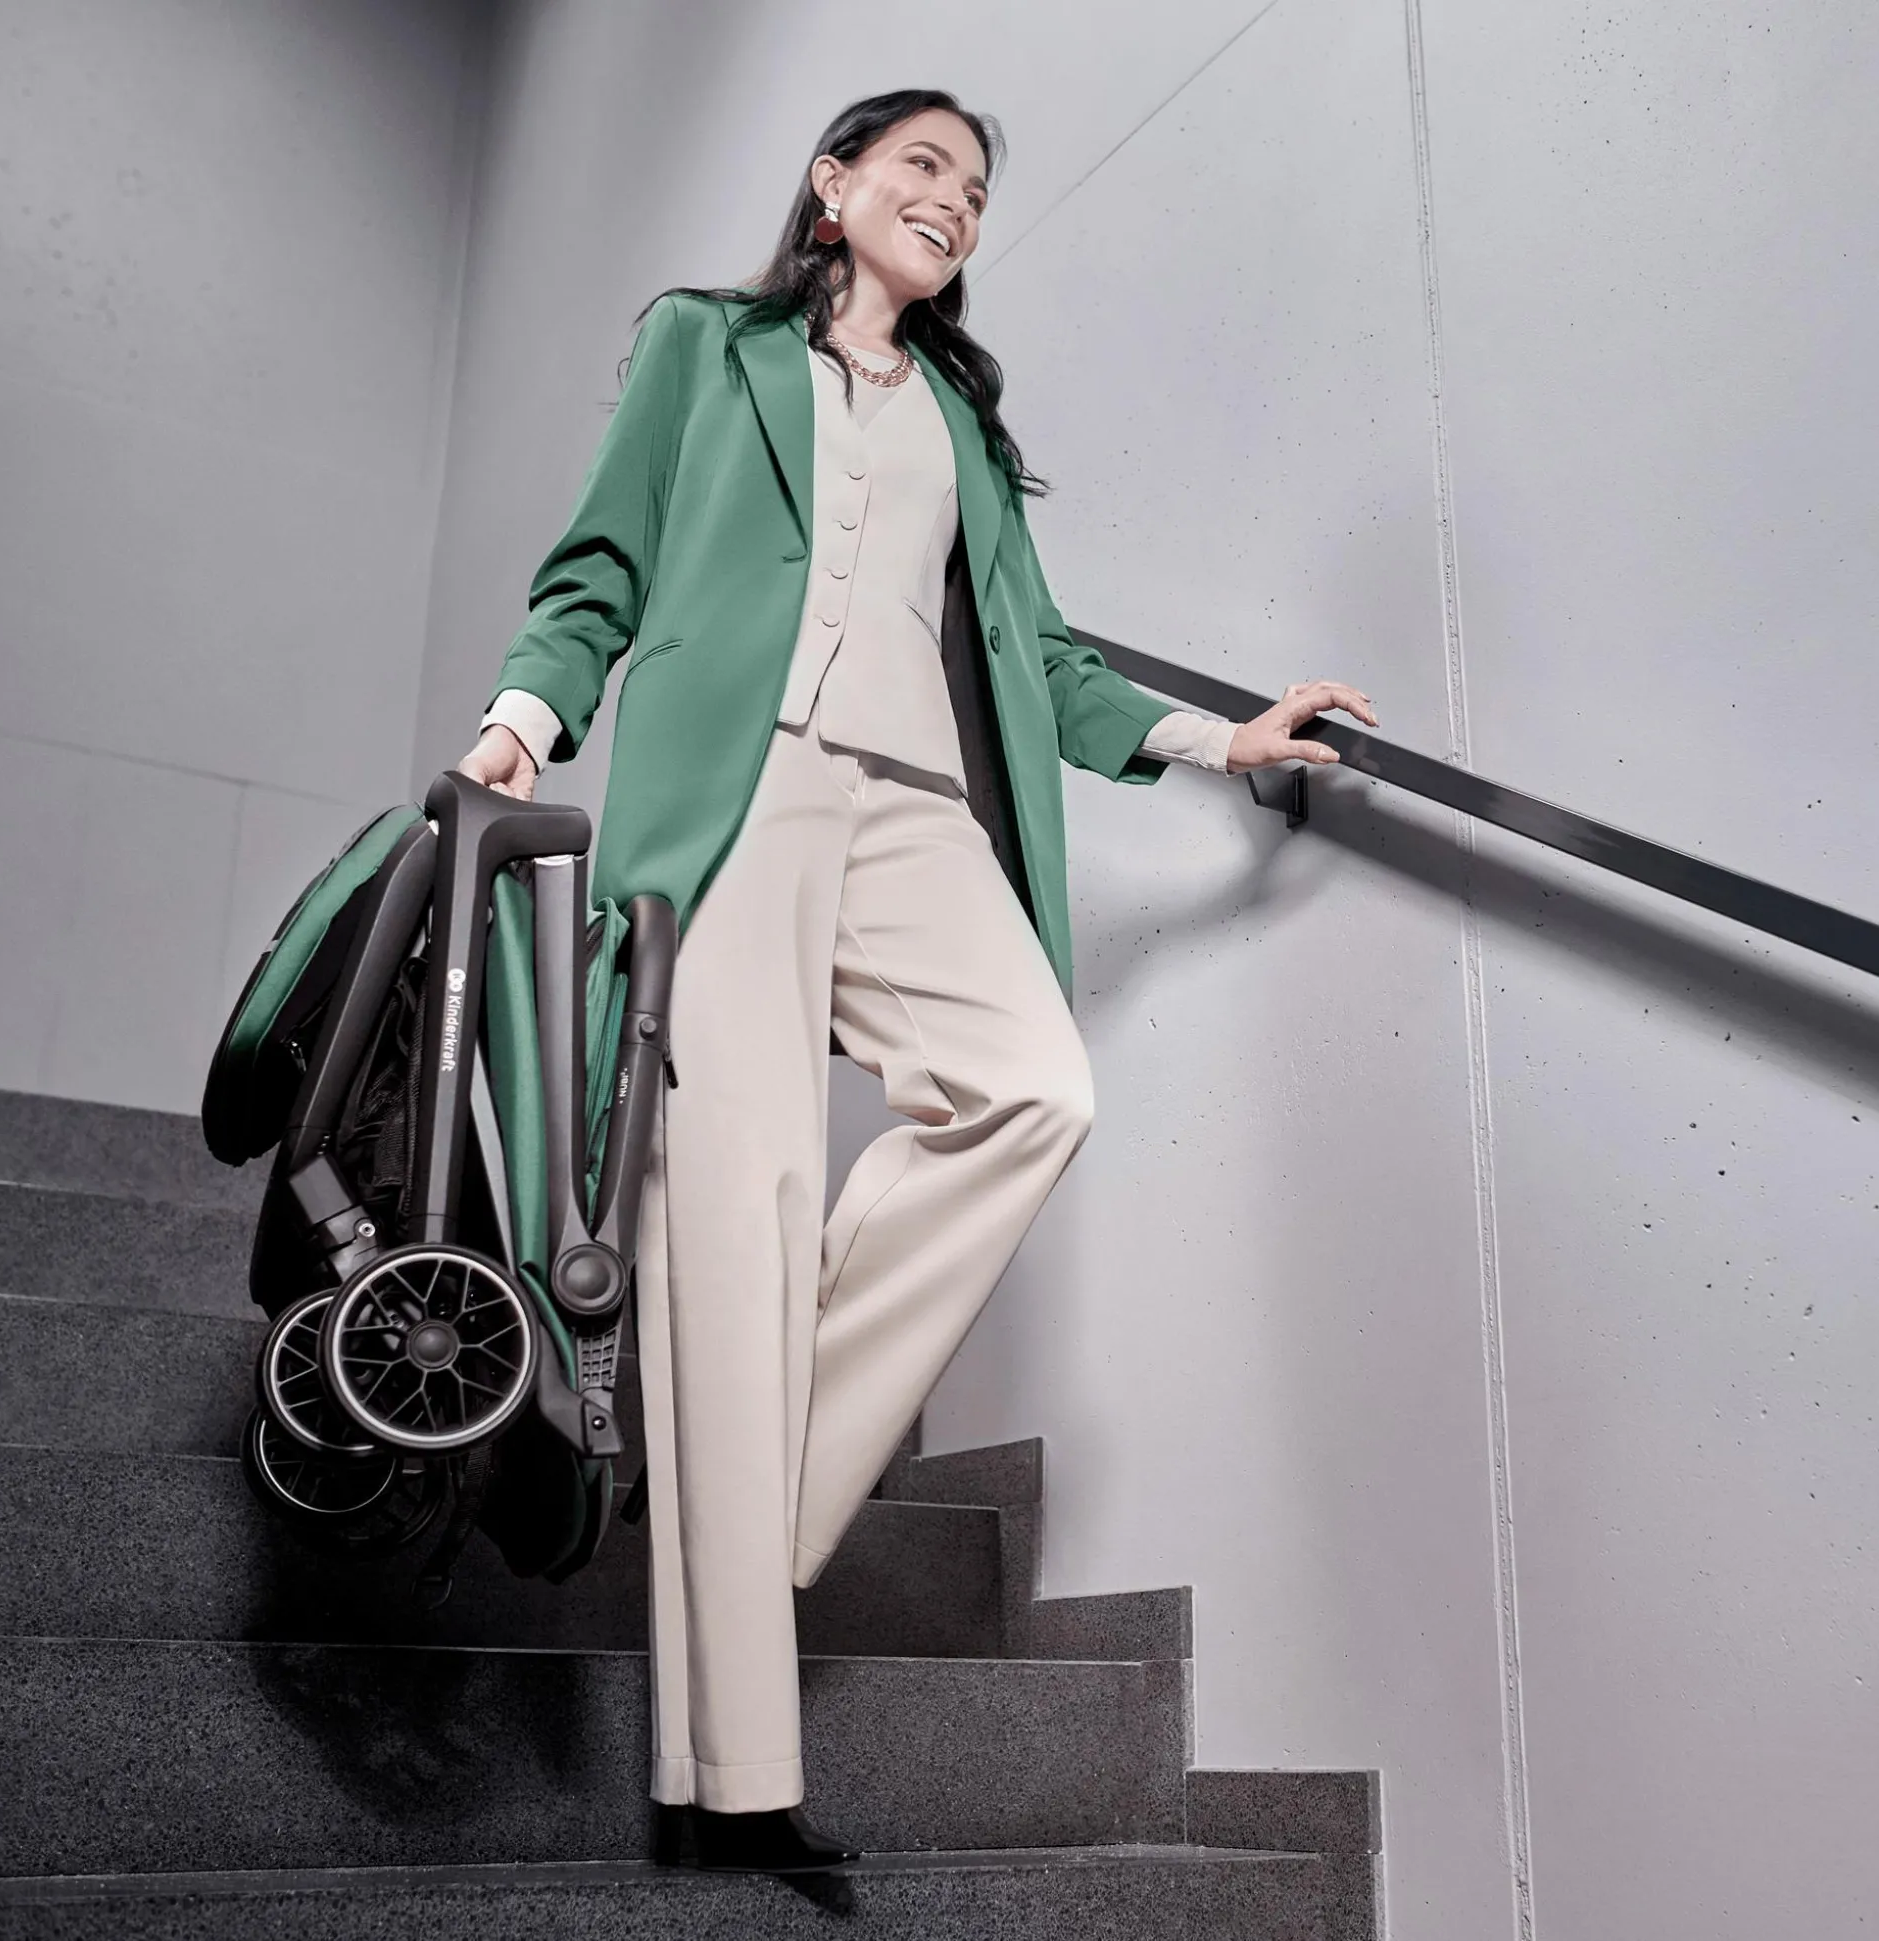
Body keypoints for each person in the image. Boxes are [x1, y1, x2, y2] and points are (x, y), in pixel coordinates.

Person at [457, 88, 1376, 1875]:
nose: (955, 201)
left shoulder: (960, 418)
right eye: (925, 167)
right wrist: (522, 722)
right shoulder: (706, 345)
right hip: (731, 802)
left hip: (913, 808)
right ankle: (732, 1796)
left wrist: (1222, 737)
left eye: (976, 188)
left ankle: (747, 1473)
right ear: (837, 183)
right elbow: (603, 566)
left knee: (1033, 1088)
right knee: (737, 1215)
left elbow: (1040, 657)